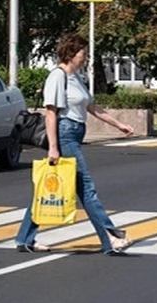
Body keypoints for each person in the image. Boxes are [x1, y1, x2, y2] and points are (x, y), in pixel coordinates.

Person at [14, 33, 136, 255]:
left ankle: (24, 238)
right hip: (64, 133)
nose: (86, 58)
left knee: (48, 189)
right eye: (83, 54)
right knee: (86, 187)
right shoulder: (57, 76)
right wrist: (53, 147)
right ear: (70, 54)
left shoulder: (77, 78)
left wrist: (119, 124)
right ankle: (110, 237)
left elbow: (92, 107)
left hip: (76, 133)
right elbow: (51, 113)